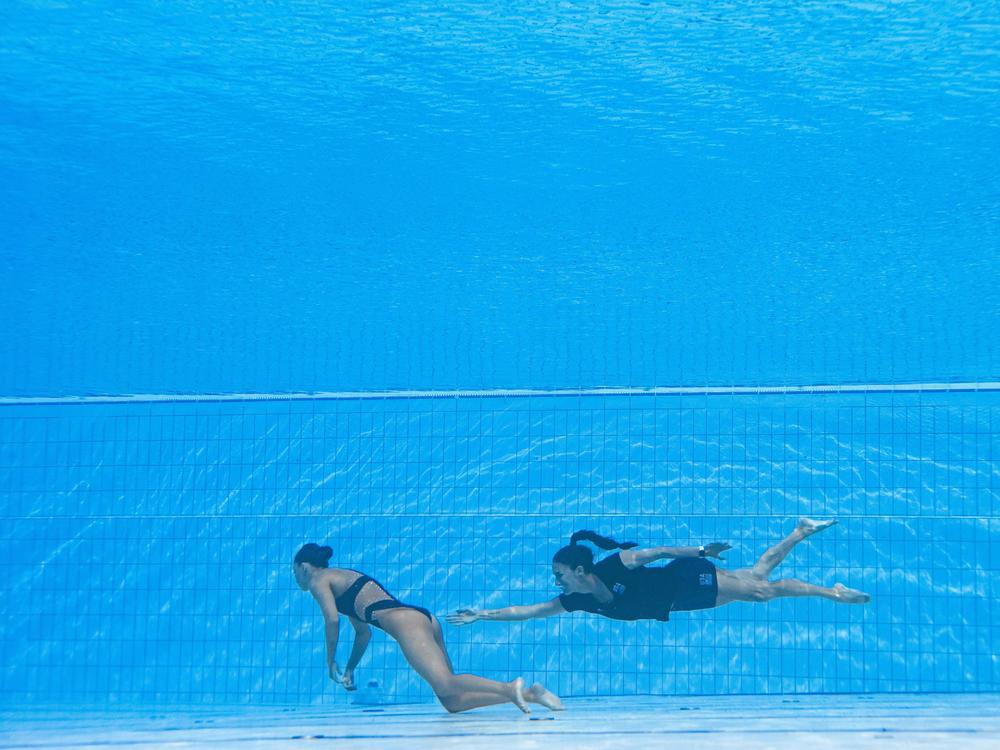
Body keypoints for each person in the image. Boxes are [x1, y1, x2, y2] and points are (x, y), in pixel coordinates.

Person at [293, 543, 563, 713]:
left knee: (446, 683)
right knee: (452, 700)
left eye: (295, 571)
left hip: (405, 622)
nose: (296, 578)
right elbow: (363, 632)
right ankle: (529, 694)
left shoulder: (319, 579)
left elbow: (331, 620)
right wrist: (350, 668)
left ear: (304, 567)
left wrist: (331, 661)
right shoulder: (341, 578)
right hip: (421, 619)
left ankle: (509, 686)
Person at [447, 518, 870, 627]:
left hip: (684, 578)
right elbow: (528, 611)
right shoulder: (576, 600)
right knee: (757, 578)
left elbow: (659, 550)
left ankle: (829, 591)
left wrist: (702, 550)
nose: (557, 582)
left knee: (761, 591)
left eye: (560, 574)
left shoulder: (616, 564)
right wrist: (483, 614)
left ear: (579, 569)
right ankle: (800, 531)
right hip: (678, 602)